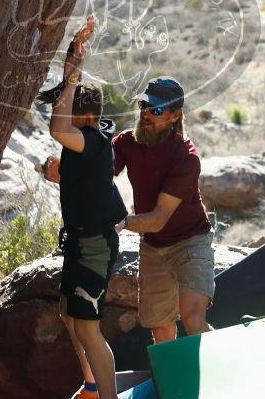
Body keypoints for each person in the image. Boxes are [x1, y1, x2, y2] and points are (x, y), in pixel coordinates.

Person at [38, 16, 127, 399]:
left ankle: (106, 395)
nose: (62, 109)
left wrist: (72, 80)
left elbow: (58, 129)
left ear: (84, 114)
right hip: (80, 242)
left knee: (88, 329)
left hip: (93, 247)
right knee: (69, 317)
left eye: (68, 103)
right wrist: (73, 59)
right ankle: (91, 387)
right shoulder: (87, 142)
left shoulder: (92, 141)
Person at [113, 77, 215, 344]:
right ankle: (176, 384)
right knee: (161, 330)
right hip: (153, 247)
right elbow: (95, 173)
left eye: (156, 110)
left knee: (193, 318)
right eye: (143, 106)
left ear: (174, 116)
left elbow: (158, 219)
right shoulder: (127, 142)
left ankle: (225, 373)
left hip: (191, 242)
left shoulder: (186, 157)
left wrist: (121, 223)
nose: (146, 114)